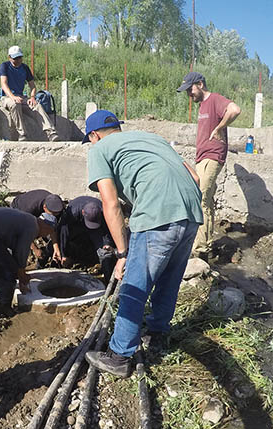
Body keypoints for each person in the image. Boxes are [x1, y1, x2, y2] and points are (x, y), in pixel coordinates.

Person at [82, 110, 202, 378]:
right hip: (191, 212)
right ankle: (158, 335)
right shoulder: (151, 138)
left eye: (90, 139)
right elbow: (194, 177)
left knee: (135, 285)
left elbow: (110, 204)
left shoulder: (99, 149)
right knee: (169, 280)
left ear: (93, 135)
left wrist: (123, 253)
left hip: (157, 214)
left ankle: (120, 355)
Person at [177, 72, 241, 256]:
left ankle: (200, 249)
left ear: (200, 84)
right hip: (202, 157)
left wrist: (220, 128)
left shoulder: (214, 100)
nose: (189, 94)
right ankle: (205, 242)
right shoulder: (203, 105)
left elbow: (235, 110)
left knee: (201, 199)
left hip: (213, 156)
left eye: (191, 89)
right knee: (206, 201)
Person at [0, 207, 57, 316]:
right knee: (9, 270)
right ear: (46, 227)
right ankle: (3, 306)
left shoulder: (29, 219)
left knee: (0, 260)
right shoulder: (32, 227)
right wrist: (21, 274)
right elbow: (20, 252)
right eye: (47, 233)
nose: (43, 236)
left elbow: (15, 249)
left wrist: (21, 272)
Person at [0, 45, 60, 142]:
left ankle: (51, 133)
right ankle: (22, 134)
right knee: (15, 104)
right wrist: (13, 97)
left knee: (36, 105)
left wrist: (32, 97)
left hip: (21, 97)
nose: (18, 60)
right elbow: (4, 84)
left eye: (19, 57)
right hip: (6, 97)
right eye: (15, 58)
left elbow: (32, 86)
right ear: (9, 57)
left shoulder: (25, 68)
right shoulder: (4, 66)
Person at [57, 196, 117, 280]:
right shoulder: (72, 213)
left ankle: (108, 278)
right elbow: (63, 233)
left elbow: (107, 229)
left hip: (97, 228)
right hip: (76, 225)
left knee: (104, 252)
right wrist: (63, 254)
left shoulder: (103, 211)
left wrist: (107, 243)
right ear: (82, 212)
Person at [11, 189, 64, 264]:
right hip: (18, 209)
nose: (54, 215)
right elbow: (23, 233)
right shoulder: (29, 209)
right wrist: (35, 249)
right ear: (45, 207)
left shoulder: (55, 205)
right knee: (23, 242)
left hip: (37, 210)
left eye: (56, 214)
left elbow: (52, 228)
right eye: (52, 214)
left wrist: (56, 248)